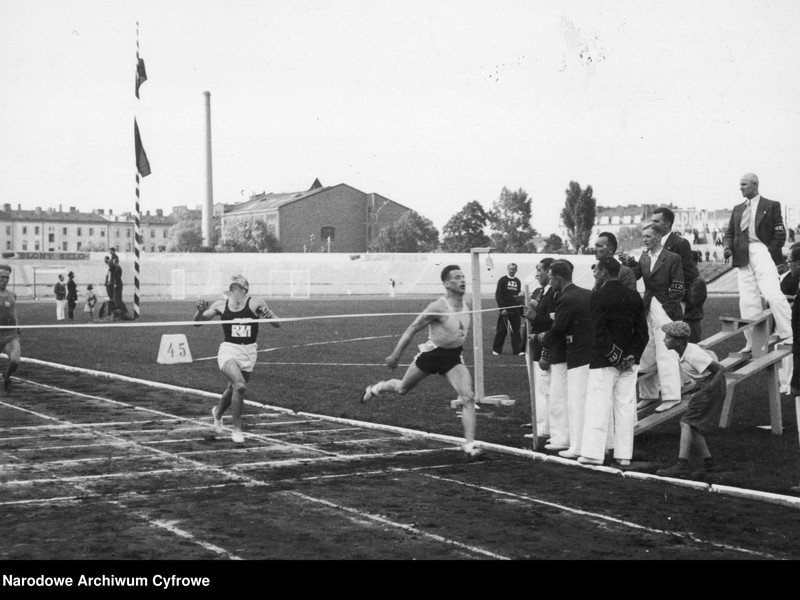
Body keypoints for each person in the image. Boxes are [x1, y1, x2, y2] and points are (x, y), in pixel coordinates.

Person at [360, 265, 483, 459]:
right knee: (402, 389)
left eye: (463, 277)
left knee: (467, 397)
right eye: (457, 277)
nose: (462, 280)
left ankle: (469, 445)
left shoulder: (468, 302)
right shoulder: (437, 308)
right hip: (431, 355)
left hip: (452, 358)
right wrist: (395, 356)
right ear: (447, 284)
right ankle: (377, 388)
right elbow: (412, 328)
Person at [578, 257, 648, 468]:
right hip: (629, 362)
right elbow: (642, 334)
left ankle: (593, 454)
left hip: (604, 361)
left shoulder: (597, 296)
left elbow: (599, 331)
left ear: (602, 272)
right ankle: (624, 455)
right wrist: (630, 356)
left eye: (596, 270)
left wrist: (614, 357)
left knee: (598, 406)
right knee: (626, 408)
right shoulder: (634, 296)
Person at [194, 274, 280, 444]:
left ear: (245, 289)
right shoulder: (221, 305)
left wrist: (269, 315)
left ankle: (217, 413)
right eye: (232, 287)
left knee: (233, 388)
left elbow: (277, 323)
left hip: (249, 352)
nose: (235, 290)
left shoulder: (256, 302)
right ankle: (237, 430)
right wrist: (200, 311)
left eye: (238, 287)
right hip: (229, 350)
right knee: (240, 386)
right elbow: (197, 322)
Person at [723, 173, 793, 352]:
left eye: (744, 184)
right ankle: (753, 341)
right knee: (747, 302)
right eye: (740, 185)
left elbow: (780, 233)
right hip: (742, 255)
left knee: (771, 294)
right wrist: (727, 248)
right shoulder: (737, 209)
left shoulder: (771, 205)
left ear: (755, 185)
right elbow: (729, 233)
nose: (740, 188)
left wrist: (770, 251)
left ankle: (789, 333)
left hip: (761, 251)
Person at [621, 222, 685, 413]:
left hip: (664, 308)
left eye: (648, 236)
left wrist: (668, 307)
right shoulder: (644, 257)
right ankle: (648, 395)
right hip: (647, 306)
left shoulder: (672, 258)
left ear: (658, 237)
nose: (644, 239)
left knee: (666, 351)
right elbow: (634, 276)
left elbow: (678, 285)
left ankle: (672, 395)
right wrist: (627, 264)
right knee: (646, 350)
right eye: (644, 236)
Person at [535, 260, 593, 458]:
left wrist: (540, 338)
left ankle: (562, 438)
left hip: (564, 352)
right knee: (572, 398)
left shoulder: (565, 298)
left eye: (551, 277)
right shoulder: (586, 293)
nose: (550, 281)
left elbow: (558, 329)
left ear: (558, 278)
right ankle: (568, 438)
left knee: (560, 397)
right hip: (582, 351)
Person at [656, 321, 726, 479]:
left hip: (712, 386)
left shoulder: (692, 354)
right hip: (707, 385)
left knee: (686, 422)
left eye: (667, 338)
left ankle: (681, 465)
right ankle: (709, 464)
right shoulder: (685, 352)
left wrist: (708, 388)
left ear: (678, 341)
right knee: (691, 425)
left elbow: (720, 369)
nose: (663, 340)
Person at [652, 206, 707, 343]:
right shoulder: (652, 244)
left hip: (675, 304)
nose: (653, 225)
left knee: (684, 347)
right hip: (657, 303)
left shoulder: (680, 244)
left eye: (656, 221)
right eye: (652, 221)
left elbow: (688, 275)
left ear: (667, 223)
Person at [523, 257, 557, 439]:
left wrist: (534, 315)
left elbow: (552, 323)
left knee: (546, 387)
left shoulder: (553, 294)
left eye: (539, 270)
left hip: (544, 346)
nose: (536, 274)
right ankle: (541, 423)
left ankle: (546, 428)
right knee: (538, 386)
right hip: (533, 344)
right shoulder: (541, 292)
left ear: (549, 272)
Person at [492, 263, 525, 356]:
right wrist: (502, 308)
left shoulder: (518, 281)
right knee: (502, 330)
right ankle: (496, 350)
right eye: (510, 269)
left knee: (516, 330)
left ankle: (517, 350)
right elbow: (498, 294)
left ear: (516, 270)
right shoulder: (502, 280)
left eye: (514, 269)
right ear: (507, 269)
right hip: (505, 310)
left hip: (515, 310)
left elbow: (517, 295)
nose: (512, 271)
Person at [0, 264, 21, 393]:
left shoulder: (12, 294)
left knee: (15, 361)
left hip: (10, 335)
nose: (5, 281)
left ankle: (6, 377)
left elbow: (13, 312)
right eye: (2, 277)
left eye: (7, 278)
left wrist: (17, 324)